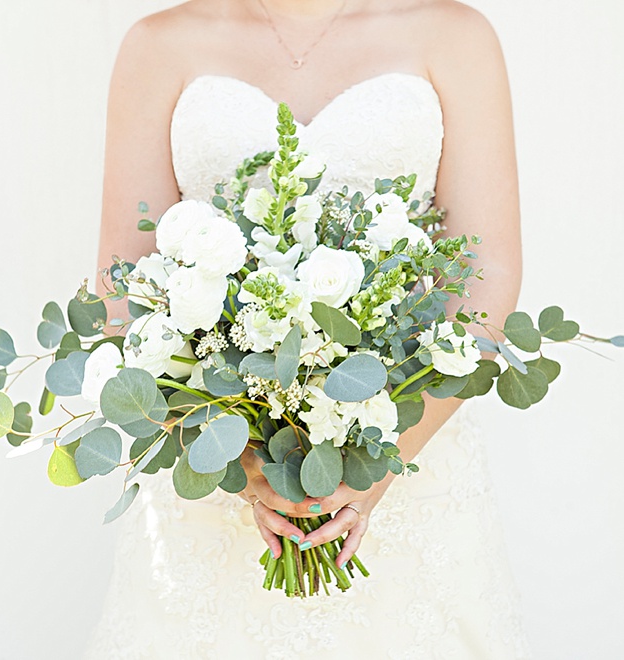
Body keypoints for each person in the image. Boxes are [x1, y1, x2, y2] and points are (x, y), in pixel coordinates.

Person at [86, 0, 528, 657]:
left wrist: (380, 462)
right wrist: (243, 452)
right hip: (213, 471)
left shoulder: (455, 36)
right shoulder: (158, 46)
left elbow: (485, 279)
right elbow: (124, 290)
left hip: (412, 450)